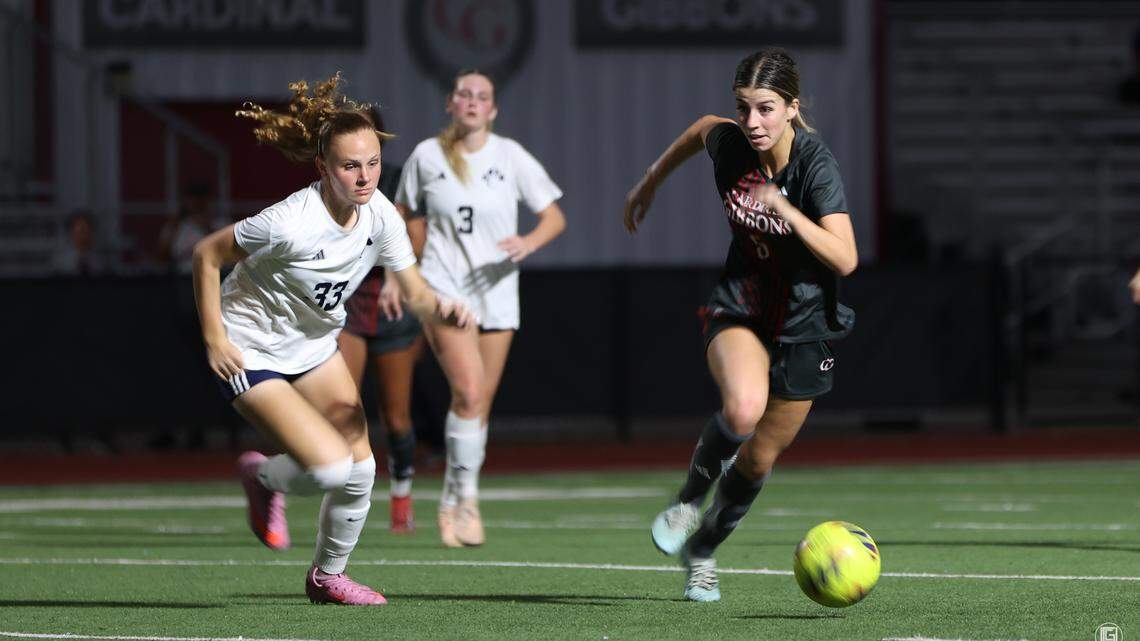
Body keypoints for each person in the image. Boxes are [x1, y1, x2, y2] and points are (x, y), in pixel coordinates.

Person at [192, 74, 473, 606]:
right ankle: (265, 479)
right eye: (349, 166)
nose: (364, 177)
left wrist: (444, 307)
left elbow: (413, 290)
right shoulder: (288, 223)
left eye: (371, 163)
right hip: (249, 345)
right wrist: (213, 337)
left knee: (362, 467)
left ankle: (326, 577)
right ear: (323, 168)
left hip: (314, 344)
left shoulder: (381, 213)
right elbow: (206, 253)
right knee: (328, 466)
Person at [624, 48, 858, 602]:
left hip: (805, 326)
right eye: (744, 107)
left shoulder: (815, 166)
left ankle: (701, 551)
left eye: (766, 109)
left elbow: (846, 258)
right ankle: (686, 503)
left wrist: (787, 210)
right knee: (742, 408)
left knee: (756, 460)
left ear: (792, 108)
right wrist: (650, 181)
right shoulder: (731, 143)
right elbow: (702, 130)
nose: (752, 122)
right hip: (742, 306)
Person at [394, 70, 566, 548]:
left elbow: (553, 216)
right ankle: (466, 498)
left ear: (493, 109)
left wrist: (527, 242)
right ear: (450, 103)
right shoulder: (427, 155)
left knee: (477, 407)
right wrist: (400, 276)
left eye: (482, 96)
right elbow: (399, 217)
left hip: (497, 294)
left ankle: (451, 499)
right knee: (468, 393)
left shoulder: (509, 156)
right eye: (464, 94)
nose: (472, 102)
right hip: (444, 290)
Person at [337, 109, 427, 532]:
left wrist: (396, 277)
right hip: (348, 304)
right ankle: (348, 495)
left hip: (392, 307)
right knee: (344, 408)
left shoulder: (399, 179)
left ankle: (402, 498)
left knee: (397, 417)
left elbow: (415, 238)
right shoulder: (331, 183)